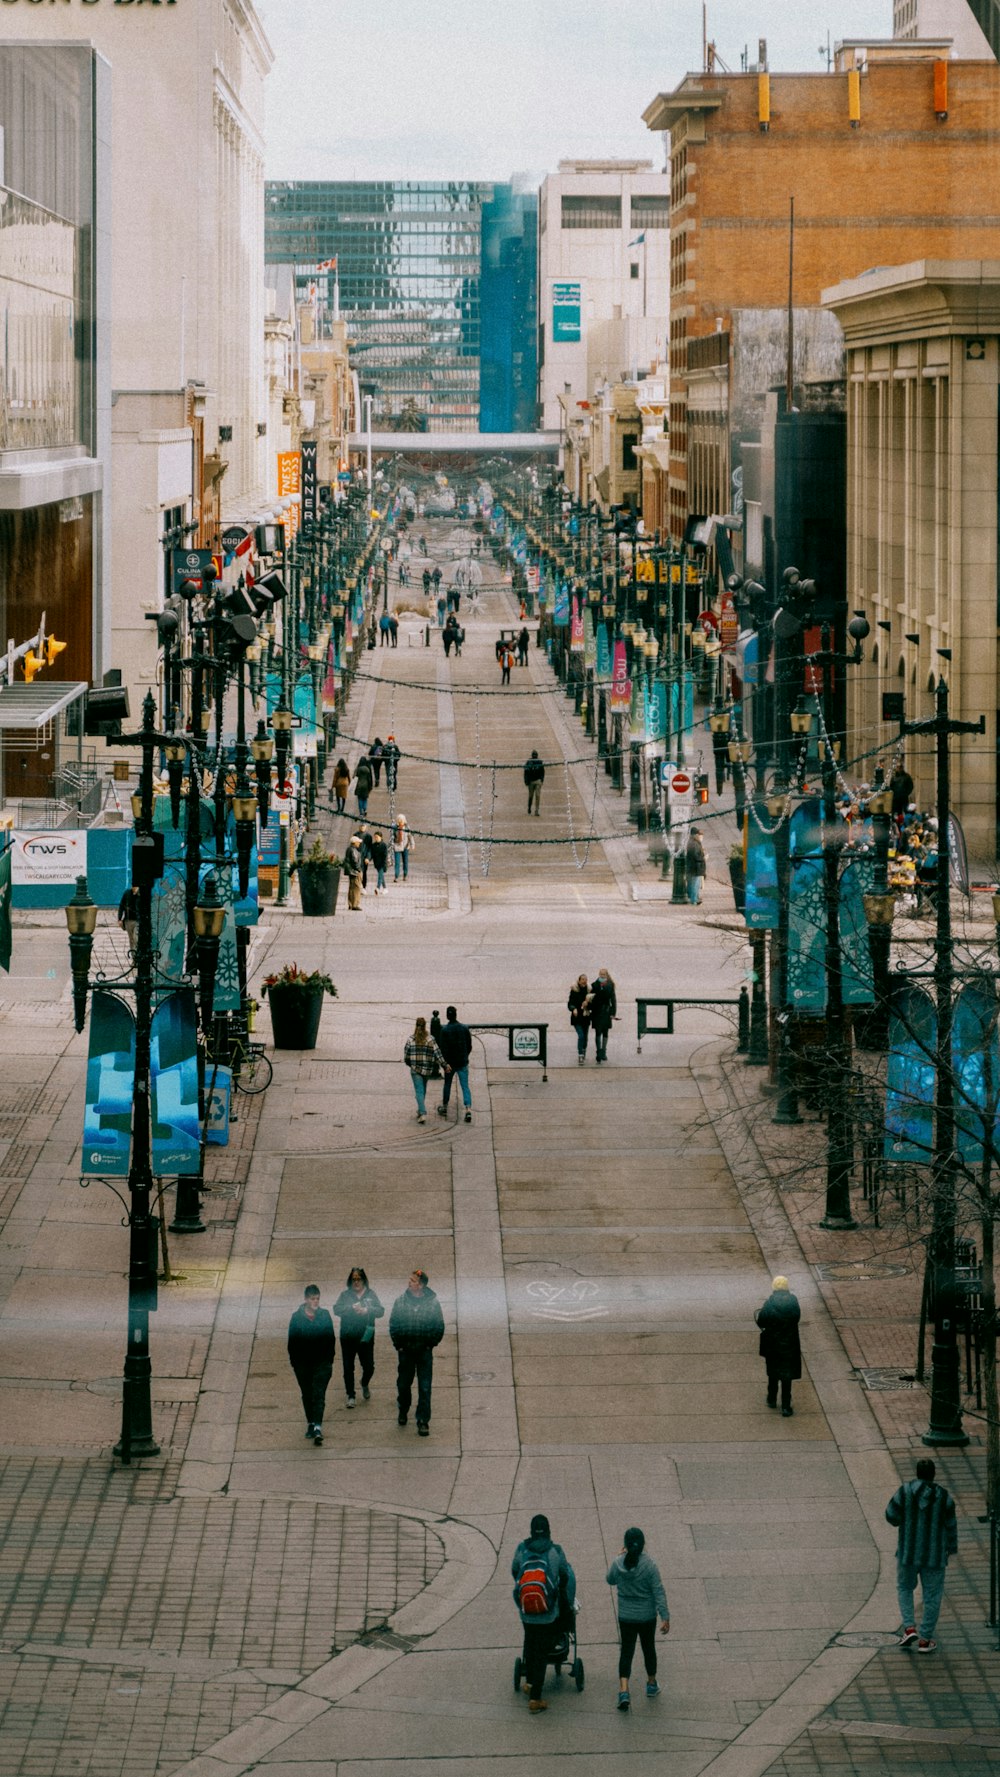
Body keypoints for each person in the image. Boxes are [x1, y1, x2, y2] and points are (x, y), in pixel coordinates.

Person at [886, 1458, 957, 1654]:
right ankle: (925, 1639)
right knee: (932, 1596)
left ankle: (909, 1627)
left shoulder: (905, 1492)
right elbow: (951, 1526)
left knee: (904, 1587)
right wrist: (950, 1549)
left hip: (908, 1552)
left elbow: (891, 1516)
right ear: (933, 1475)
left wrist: (905, 1520)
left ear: (917, 1473)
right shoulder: (944, 1497)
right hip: (934, 1556)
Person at [511, 1514, 576, 1714]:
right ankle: (535, 1698)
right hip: (548, 1612)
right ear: (548, 1530)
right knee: (541, 1652)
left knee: (530, 1643)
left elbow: (514, 1571)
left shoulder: (522, 1549)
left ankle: (529, 1682)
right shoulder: (555, 1552)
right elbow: (564, 1575)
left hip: (527, 1611)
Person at [606, 1527, 670, 1709]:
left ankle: (624, 1690)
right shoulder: (649, 1564)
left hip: (626, 1616)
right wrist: (665, 1616)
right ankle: (651, 1684)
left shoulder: (619, 1562)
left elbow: (610, 1579)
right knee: (648, 1648)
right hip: (646, 1616)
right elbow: (658, 1590)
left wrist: (617, 1557)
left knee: (626, 1651)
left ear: (625, 1544)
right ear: (643, 1545)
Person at [389, 1266, 445, 1434]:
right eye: (410, 1280)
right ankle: (403, 1409)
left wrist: (430, 1343)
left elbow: (439, 1326)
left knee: (425, 1387)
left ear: (421, 1286)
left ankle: (422, 1420)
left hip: (424, 1352)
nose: (409, 1282)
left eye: (413, 1281)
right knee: (404, 1384)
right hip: (405, 1351)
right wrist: (398, 1344)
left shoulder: (433, 1303)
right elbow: (394, 1324)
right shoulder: (400, 1301)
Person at [287, 1284, 335, 1445]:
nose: (316, 1302)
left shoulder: (325, 1315)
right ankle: (311, 1422)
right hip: (303, 1365)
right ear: (306, 1300)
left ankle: (317, 1427)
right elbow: (292, 1343)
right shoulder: (296, 1318)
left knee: (318, 1393)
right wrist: (295, 1363)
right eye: (313, 1299)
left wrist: (329, 1360)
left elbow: (330, 1339)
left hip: (321, 1363)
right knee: (307, 1394)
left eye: (317, 1299)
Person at [333, 1266, 385, 1408]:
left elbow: (381, 1311)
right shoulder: (345, 1295)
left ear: (364, 1280)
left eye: (359, 1279)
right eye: (354, 1279)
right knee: (348, 1368)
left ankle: (365, 1382)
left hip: (366, 1337)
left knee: (369, 1367)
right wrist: (351, 1309)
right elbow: (336, 1309)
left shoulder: (371, 1294)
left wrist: (367, 1310)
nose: (356, 1282)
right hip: (348, 1337)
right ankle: (351, 1395)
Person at [754, 1275, 801, 1417]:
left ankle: (772, 1398)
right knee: (787, 1375)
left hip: (773, 1344)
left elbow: (761, 1320)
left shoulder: (769, 1303)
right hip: (789, 1344)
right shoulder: (793, 1302)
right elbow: (797, 1318)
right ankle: (786, 1406)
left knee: (773, 1372)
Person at [436, 1004, 473, 1122]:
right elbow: (469, 1045)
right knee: (465, 1086)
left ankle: (445, 1106)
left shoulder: (444, 1030)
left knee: (447, 1085)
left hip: (450, 1064)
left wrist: (445, 1064)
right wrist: (465, 1056)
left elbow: (443, 1049)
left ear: (447, 1016)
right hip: (462, 1062)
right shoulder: (464, 1028)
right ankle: (468, 1109)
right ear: (456, 1015)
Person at [404, 1016, 444, 1124]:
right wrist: (444, 1065)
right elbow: (437, 1053)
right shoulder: (430, 1039)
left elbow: (406, 1056)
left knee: (419, 1091)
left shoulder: (411, 1039)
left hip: (415, 1069)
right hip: (427, 1069)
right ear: (425, 1026)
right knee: (423, 1090)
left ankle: (422, 1112)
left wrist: (411, 1064)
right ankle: (420, 1110)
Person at [589, 968, 617, 1064]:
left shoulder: (610, 985)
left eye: (604, 974)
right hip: (597, 1011)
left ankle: (604, 1052)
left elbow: (613, 1000)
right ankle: (599, 1052)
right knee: (598, 1031)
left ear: (606, 975)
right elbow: (590, 998)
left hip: (606, 1011)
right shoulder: (594, 985)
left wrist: (613, 1013)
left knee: (605, 1032)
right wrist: (589, 1008)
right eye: (601, 974)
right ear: (598, 974)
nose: (602, 975)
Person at [568, 974, 593, 1065]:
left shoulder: (589, 990)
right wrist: (573, 1008)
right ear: (579, 980)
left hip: (586, 1016)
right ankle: (580, 1055)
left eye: (586, 979)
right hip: (577, 1017)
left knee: (585, 1038)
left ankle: (583, 1050)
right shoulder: (574, 990)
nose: (584, 981)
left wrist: (588, 1004)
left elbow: (593, 1004)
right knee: (581, 1036)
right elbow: (570, 1003)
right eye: (582, 979)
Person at [686, 827, 706, 905]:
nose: (699, 835)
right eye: (698, 834)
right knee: (695, 884)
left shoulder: (691, 842)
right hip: (696, 867)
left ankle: (693, 898)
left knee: (692, 883)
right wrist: (703, 858)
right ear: (695, 834)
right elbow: (696, 855)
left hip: (692, 867)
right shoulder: (694, 843)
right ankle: (694, 899)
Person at [117, 884, 139, 957]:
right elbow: (121, 906)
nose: (134, 887)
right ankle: (134, 958)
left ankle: (138, 956)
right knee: (131, 940)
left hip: (137, 920)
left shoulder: (140, 894)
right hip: (128, 920)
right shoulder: (127, 893)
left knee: (136, 938)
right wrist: (119, 919)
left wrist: (136, 895)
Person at [344, 833, 364, 912]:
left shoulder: (349, 849)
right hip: (355, 872)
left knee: (352, 888)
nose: (359, 843)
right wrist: (359, 869)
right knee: (356, 888)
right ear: (354, 843)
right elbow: (355, 861)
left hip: (351, 871)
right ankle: (355, 904)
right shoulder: (353, 850)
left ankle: (351, 904)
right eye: (358, 842)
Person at [524, 750, 545, 817]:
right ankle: (529, 807)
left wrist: (541, 780)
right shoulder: (529, 762)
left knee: (537, 796)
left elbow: (542, 772)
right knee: (531, 796)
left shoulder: (540, 762)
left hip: (538, 780)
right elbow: (526, 772)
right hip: (531, 781)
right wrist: (526, 781)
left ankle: (536, 810)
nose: (534, 756)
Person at [393, 815, 413, 881]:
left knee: (405, 861)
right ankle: (396, 876)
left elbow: (410, 836)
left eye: (402, 820)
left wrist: (412, 844)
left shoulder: (407, 827)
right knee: (397, 862)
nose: (401, 821)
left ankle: (405, 875)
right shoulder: (395, 828)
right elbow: (392, 837)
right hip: (397, 846)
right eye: (399, 820)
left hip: (405, 846)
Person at [370, 830, 388, 894]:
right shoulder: (373, 845)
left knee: (380, 876)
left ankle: (378, 888)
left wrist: (384, 864)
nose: (376, 838)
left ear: (381, 837)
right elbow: (371, 854)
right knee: (381, 876)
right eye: (375, 837)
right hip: (376, 863)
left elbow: (385, 855)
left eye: (377, 837)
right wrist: (368, 859)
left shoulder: (384, 845)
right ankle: (385, 888)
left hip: (382, 863)